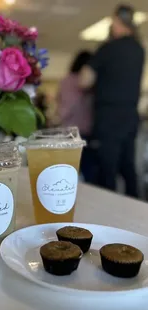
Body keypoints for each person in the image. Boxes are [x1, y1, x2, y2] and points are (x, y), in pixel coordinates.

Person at [80, 4, 145, 198]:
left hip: (108, 116)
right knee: (128, 167)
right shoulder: (139, 49)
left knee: (107, 170)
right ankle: (138, 216)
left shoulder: (108, 48)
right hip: (130, 116)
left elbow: (84, 80)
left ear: (117, 21)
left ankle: (110, 219)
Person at [57, 50, 96, 183]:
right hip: (83, 131)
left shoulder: (66, 81)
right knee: (87, 170)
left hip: (70, 130)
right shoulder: (82, 83)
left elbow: (65, 107)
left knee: (71, 171)